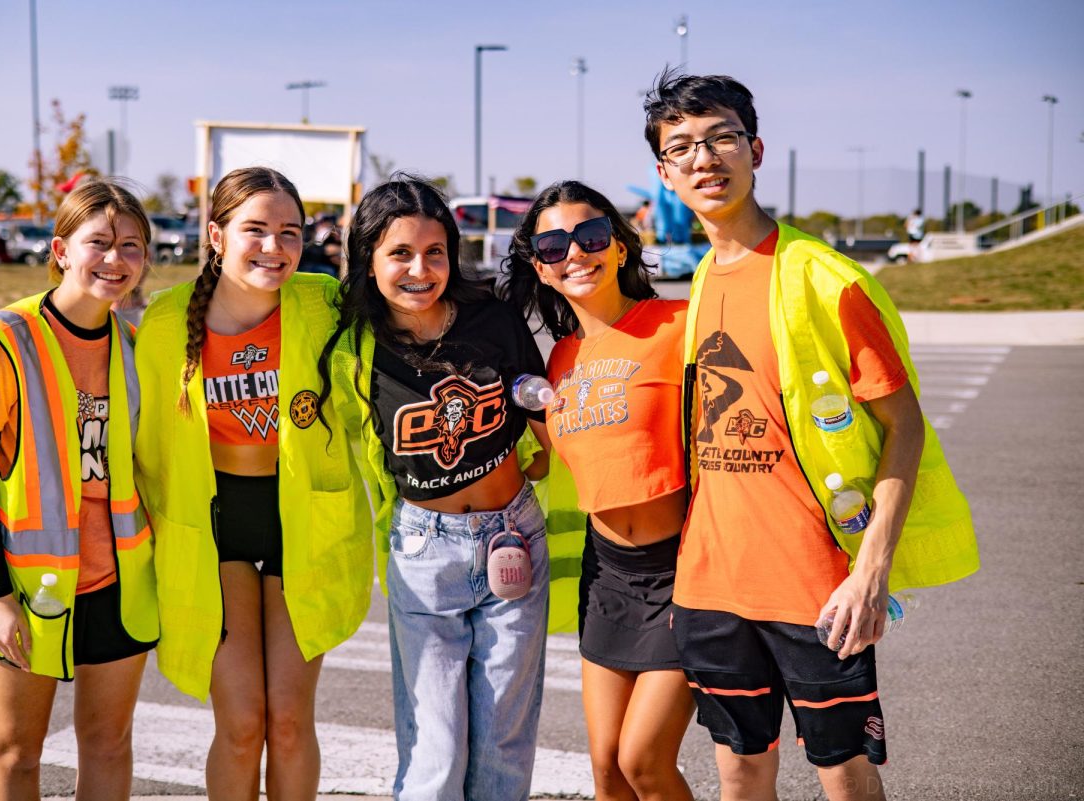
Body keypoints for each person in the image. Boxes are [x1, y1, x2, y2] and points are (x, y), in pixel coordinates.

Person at [644, 71, 978, 801]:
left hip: (815, 587)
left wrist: (872, 570)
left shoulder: (829, 280)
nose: (705, 158)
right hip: (711, 584)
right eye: (682, 147)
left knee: (847, 778)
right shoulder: (700, 279)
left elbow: (905, 424)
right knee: (738, 774)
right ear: (664, 174)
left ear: (756, 149)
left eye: (722, 136)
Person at [133, 167, 373, 801]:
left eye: (289, 232)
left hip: (304, 523)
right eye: (255, 230)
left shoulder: (323, 304)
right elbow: (144, 442)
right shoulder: (163, 323)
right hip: (214, 530)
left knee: (290, 723)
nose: (274, 247)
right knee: (241, 725)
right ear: (216, 235)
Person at [318, 175, 552, 801]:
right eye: (399, 253)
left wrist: (539, 451)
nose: (420, 269)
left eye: (435, 251)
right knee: (436, 750)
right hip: (425, 552)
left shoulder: (493, 319)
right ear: (368, 259)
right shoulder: (353, 345)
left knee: (504, 742)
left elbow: (539, 406)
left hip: (514, 534)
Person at [0, 178, 159, 799]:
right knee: (16, 754)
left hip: (120, 581)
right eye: (100, 243)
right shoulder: (3, 341)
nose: (116, 260)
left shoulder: (131, 344)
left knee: (109, 744)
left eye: (131, 246)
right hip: (24, 583)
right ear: (62, 249)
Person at [503, 180, 696, 801]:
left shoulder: (677, 325)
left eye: (590, 236)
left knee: (644, 761)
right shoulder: (559, 358)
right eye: (554, 244)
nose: (575, 253)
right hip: (608, 574)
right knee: (607, 771)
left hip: (683, 570)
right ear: (540, 266)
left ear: (618, 247)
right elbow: (548, 458)